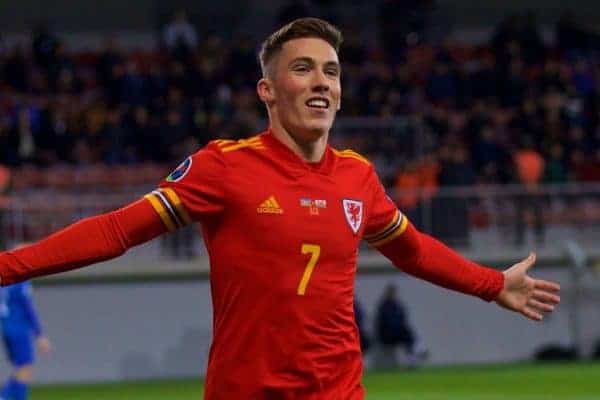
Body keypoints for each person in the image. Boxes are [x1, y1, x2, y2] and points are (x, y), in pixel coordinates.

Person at [0, 18, 560, 400]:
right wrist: (8, 268)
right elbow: (118, 230)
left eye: (332, 71)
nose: (321, 83)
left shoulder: (358, 177)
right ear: (267, 90)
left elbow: (412, 250)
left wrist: (492, 284)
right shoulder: (223, 167)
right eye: (303, 69)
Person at [0, 282, 51, 400]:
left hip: (6, 328)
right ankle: (5, 396)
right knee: (25, 368)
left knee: (21, 368)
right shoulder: (19, 281)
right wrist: (39, 334)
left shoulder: (5, 281)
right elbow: (27, 307)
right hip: (18, 328)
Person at [375, 284, 428, 366]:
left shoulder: (398, 305)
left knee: (408, 333)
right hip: (387, 335)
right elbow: (384, 324)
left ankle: (413, 354)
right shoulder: (384, 306)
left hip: (398, 333)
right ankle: (415, 353)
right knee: (406, 333)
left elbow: (403, 318)